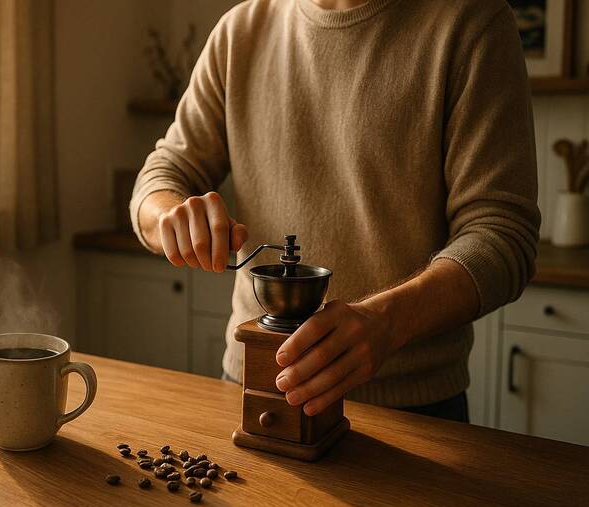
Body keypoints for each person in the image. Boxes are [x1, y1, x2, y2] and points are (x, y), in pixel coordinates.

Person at [129, 0, 540, 423]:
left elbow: (503, 234)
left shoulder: (471, 23)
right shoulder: (240, 31)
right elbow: (161, 177)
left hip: (413, 410)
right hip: (255, 388)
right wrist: (171, 217)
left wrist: (388, 322)